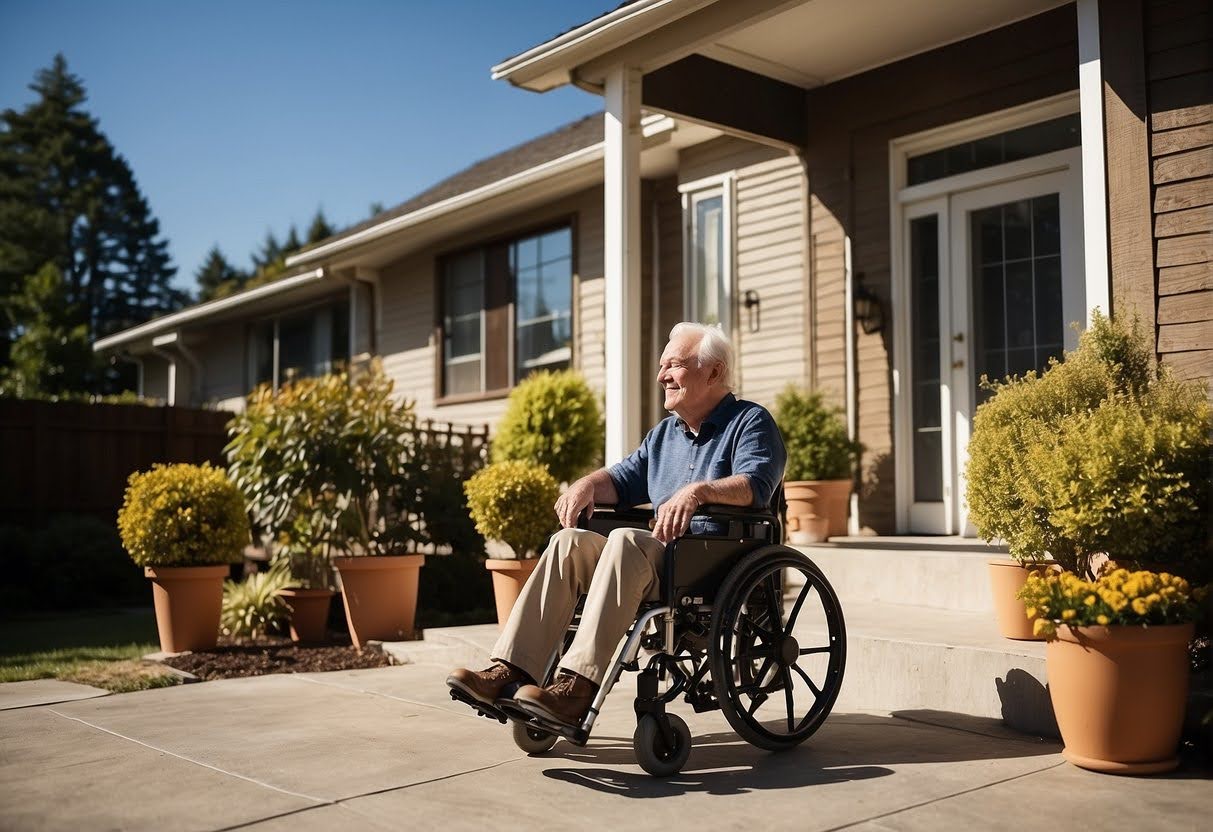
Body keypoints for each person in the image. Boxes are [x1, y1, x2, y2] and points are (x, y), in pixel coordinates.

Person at [446, 321, 787, 730]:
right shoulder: (664, 436)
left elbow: (756, 485)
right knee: (569, 542)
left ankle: (575, 687)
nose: (662, 375)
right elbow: (623, 479)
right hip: (657, 559)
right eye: (662, 366)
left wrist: (699, 492)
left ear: (713, 372)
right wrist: (586, 484)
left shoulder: (750, 422)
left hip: (709, 562)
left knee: (626, 539)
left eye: (674, 365)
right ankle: (512, 672)